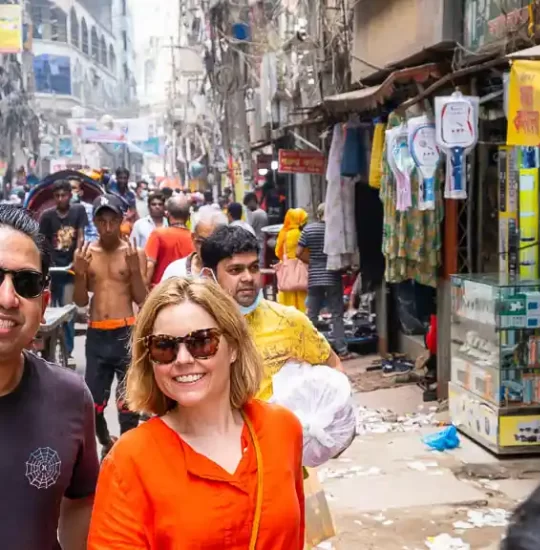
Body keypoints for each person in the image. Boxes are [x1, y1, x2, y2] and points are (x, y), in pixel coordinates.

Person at [87, 277, 305, 549]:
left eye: (202, 342)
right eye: (164, 347)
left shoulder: (281, 429)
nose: (183, 359)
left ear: (234, 347)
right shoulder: (129, 461)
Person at [0, 205, 98, 549]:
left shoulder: (70, 397)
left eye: (24, 283)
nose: (7, 298)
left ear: (43, 305)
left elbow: (81, 500)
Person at [201, 225, 344, 401]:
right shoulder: (196, 332)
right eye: (235, 270)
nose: (248, 277)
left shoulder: (289, 321)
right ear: (209, 276)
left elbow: (333, 366)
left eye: (253, 268)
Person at [73, 194, 147, 458]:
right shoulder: (84, 254)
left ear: (121, 221)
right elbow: (80, 301)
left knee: (128, 402)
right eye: (102, 221)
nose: (107, 227)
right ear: (95, 222)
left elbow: (142, 298)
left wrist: (135, 271)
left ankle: (127, 451)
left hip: (125, 332)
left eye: (112, 221)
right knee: (93, 403)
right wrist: (79, 273)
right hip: (96, 334)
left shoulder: (133, 253)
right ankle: (106, 439)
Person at [39, 179, 88, 359]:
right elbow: (42, 243)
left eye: (64, 195)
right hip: (52, 269)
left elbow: (81, 236)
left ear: (70, 195)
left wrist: (77, 257)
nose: (61, 199)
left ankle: (68, 350)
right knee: (49, 312)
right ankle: (47, 349)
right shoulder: (47, 216)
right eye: (57, 196)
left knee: (67, 310)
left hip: (69, 269)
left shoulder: (78, 211)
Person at [297, 203, 351, 359]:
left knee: (312, 314)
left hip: (315, 276)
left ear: (318, 214)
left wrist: (313, 261)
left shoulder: (308, 229)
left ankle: (308, 349)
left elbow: (298, 252)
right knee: (336, 314)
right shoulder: (335, 230)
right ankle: (342, 349)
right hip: (332, 275)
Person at [162, 207, 228, 280]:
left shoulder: (230, 272)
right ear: (193, 238)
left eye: (213, 243)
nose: (205, 249)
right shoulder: (176, 271)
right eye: (200, 242)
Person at [145, 194, 195, 287]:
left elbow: (149, 266)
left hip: (161, 293)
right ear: (188, 216)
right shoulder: (194, 239)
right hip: (186, 292)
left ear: (167, 214)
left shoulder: (158, 234)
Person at [275, 208, 308, 313]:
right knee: (302, 297)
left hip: (287, 269)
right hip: (300, 268)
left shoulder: (284, 233)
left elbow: (278, 252)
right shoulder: (301, 233)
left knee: (288, 299)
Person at [69, 176, 99, 243]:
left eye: (73, 188)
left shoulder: (90, 210)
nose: (70, 191)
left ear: (81, 192)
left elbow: (95, 235)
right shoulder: (59, 210)